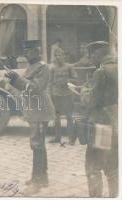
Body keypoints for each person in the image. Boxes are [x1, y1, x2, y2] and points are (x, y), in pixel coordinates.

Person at [6, 40, 55, 195]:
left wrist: (16, 78)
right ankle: (43, 178)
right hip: (35, 109)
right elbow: (26, 87)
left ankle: (36, 182)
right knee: (39, 144)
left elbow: (34, 88)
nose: (25, 53)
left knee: (37, 144)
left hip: (40, 111)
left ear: (37, 51)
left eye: (28, 51)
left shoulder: (43, 68)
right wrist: (13, 78)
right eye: (25, 51)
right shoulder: (33, 67)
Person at [79, 41, 118, 197]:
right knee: (113, 166)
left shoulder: (100, 72)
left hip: (102, 125)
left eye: (91, 54)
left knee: (93, 166)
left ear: (98, 53)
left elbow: (90, 100)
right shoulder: (117, 67)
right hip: (116, 123)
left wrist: (82, 90)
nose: (90, 58)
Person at [49, 48, 78, 145]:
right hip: (56, 95)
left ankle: (71, 139)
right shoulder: (52, 68)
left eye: (59, 55)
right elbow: (50, 82)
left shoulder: (69, 67)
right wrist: (50, 94)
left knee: (69, 117)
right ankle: (57, 137)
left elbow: (75, 79)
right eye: (56, 55)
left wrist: (67, 81)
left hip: (67, 94)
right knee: (56, 118)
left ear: (63, 56)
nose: (58, 57)